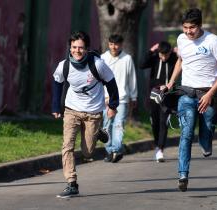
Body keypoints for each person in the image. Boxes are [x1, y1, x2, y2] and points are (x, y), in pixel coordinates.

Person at [165, 8, 217, 192]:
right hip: (186, 94)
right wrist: (170, 83)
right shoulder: (181, 39)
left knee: (207, 127)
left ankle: (206, 141)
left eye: (192, 28)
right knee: (186, 133)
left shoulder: (213, 41)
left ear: (200, 25)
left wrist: (210, 94)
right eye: (185, 27)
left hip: (207, 94)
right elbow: (181, 61)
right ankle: (183, 174)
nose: (188, 32)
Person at [52, 31, 119, 198]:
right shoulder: (64, 65)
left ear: (87, 49)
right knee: (67, 145)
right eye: (74, 47)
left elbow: (111, 84)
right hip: (71, 110)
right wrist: (55, 106)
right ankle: (71, 183)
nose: (77, 51)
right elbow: (57, 84)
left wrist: (112, 105)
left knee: (88, 152)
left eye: (80, 48)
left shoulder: (98, 64)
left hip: (93, 112)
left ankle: (98, 134)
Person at [101, 34, 138, 163]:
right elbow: (99, 79)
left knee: (118, 124)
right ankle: (109, 151)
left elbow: (132, 78)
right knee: (107, 125)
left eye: (116, 44)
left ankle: (116, 149)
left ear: (121, 44)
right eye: (111, 44)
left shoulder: (127, 59)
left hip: (122, 98)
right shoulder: (103, 58)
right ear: (108, 44)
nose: (114, 47)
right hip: (106, 98)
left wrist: (134, 96)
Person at [140, 41, 178, 162]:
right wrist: (151, 50)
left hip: (168, 95)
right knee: (155, 122)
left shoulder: (174, 58)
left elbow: (186, 64)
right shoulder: (155, 57)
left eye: (166, 55)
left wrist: (181, 53)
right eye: (161, 55)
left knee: (163, 122)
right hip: (154, 95)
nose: (164, 57)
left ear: (170, 52)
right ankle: (157, 145)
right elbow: (141, 64)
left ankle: (160, 149)